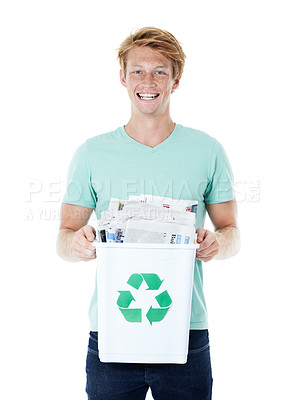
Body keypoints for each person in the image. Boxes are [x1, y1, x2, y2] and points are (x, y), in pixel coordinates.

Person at [57, 26, 240, 400]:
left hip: (185, 331)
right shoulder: (92, 153)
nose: (148, 81)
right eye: (137, 70)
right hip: (112, 329)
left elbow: (232, 231)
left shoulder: (207, 151)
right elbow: (63, 236)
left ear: (176, 79)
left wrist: (217, 242)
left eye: (160, 70)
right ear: (122, 77)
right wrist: (76, 243)